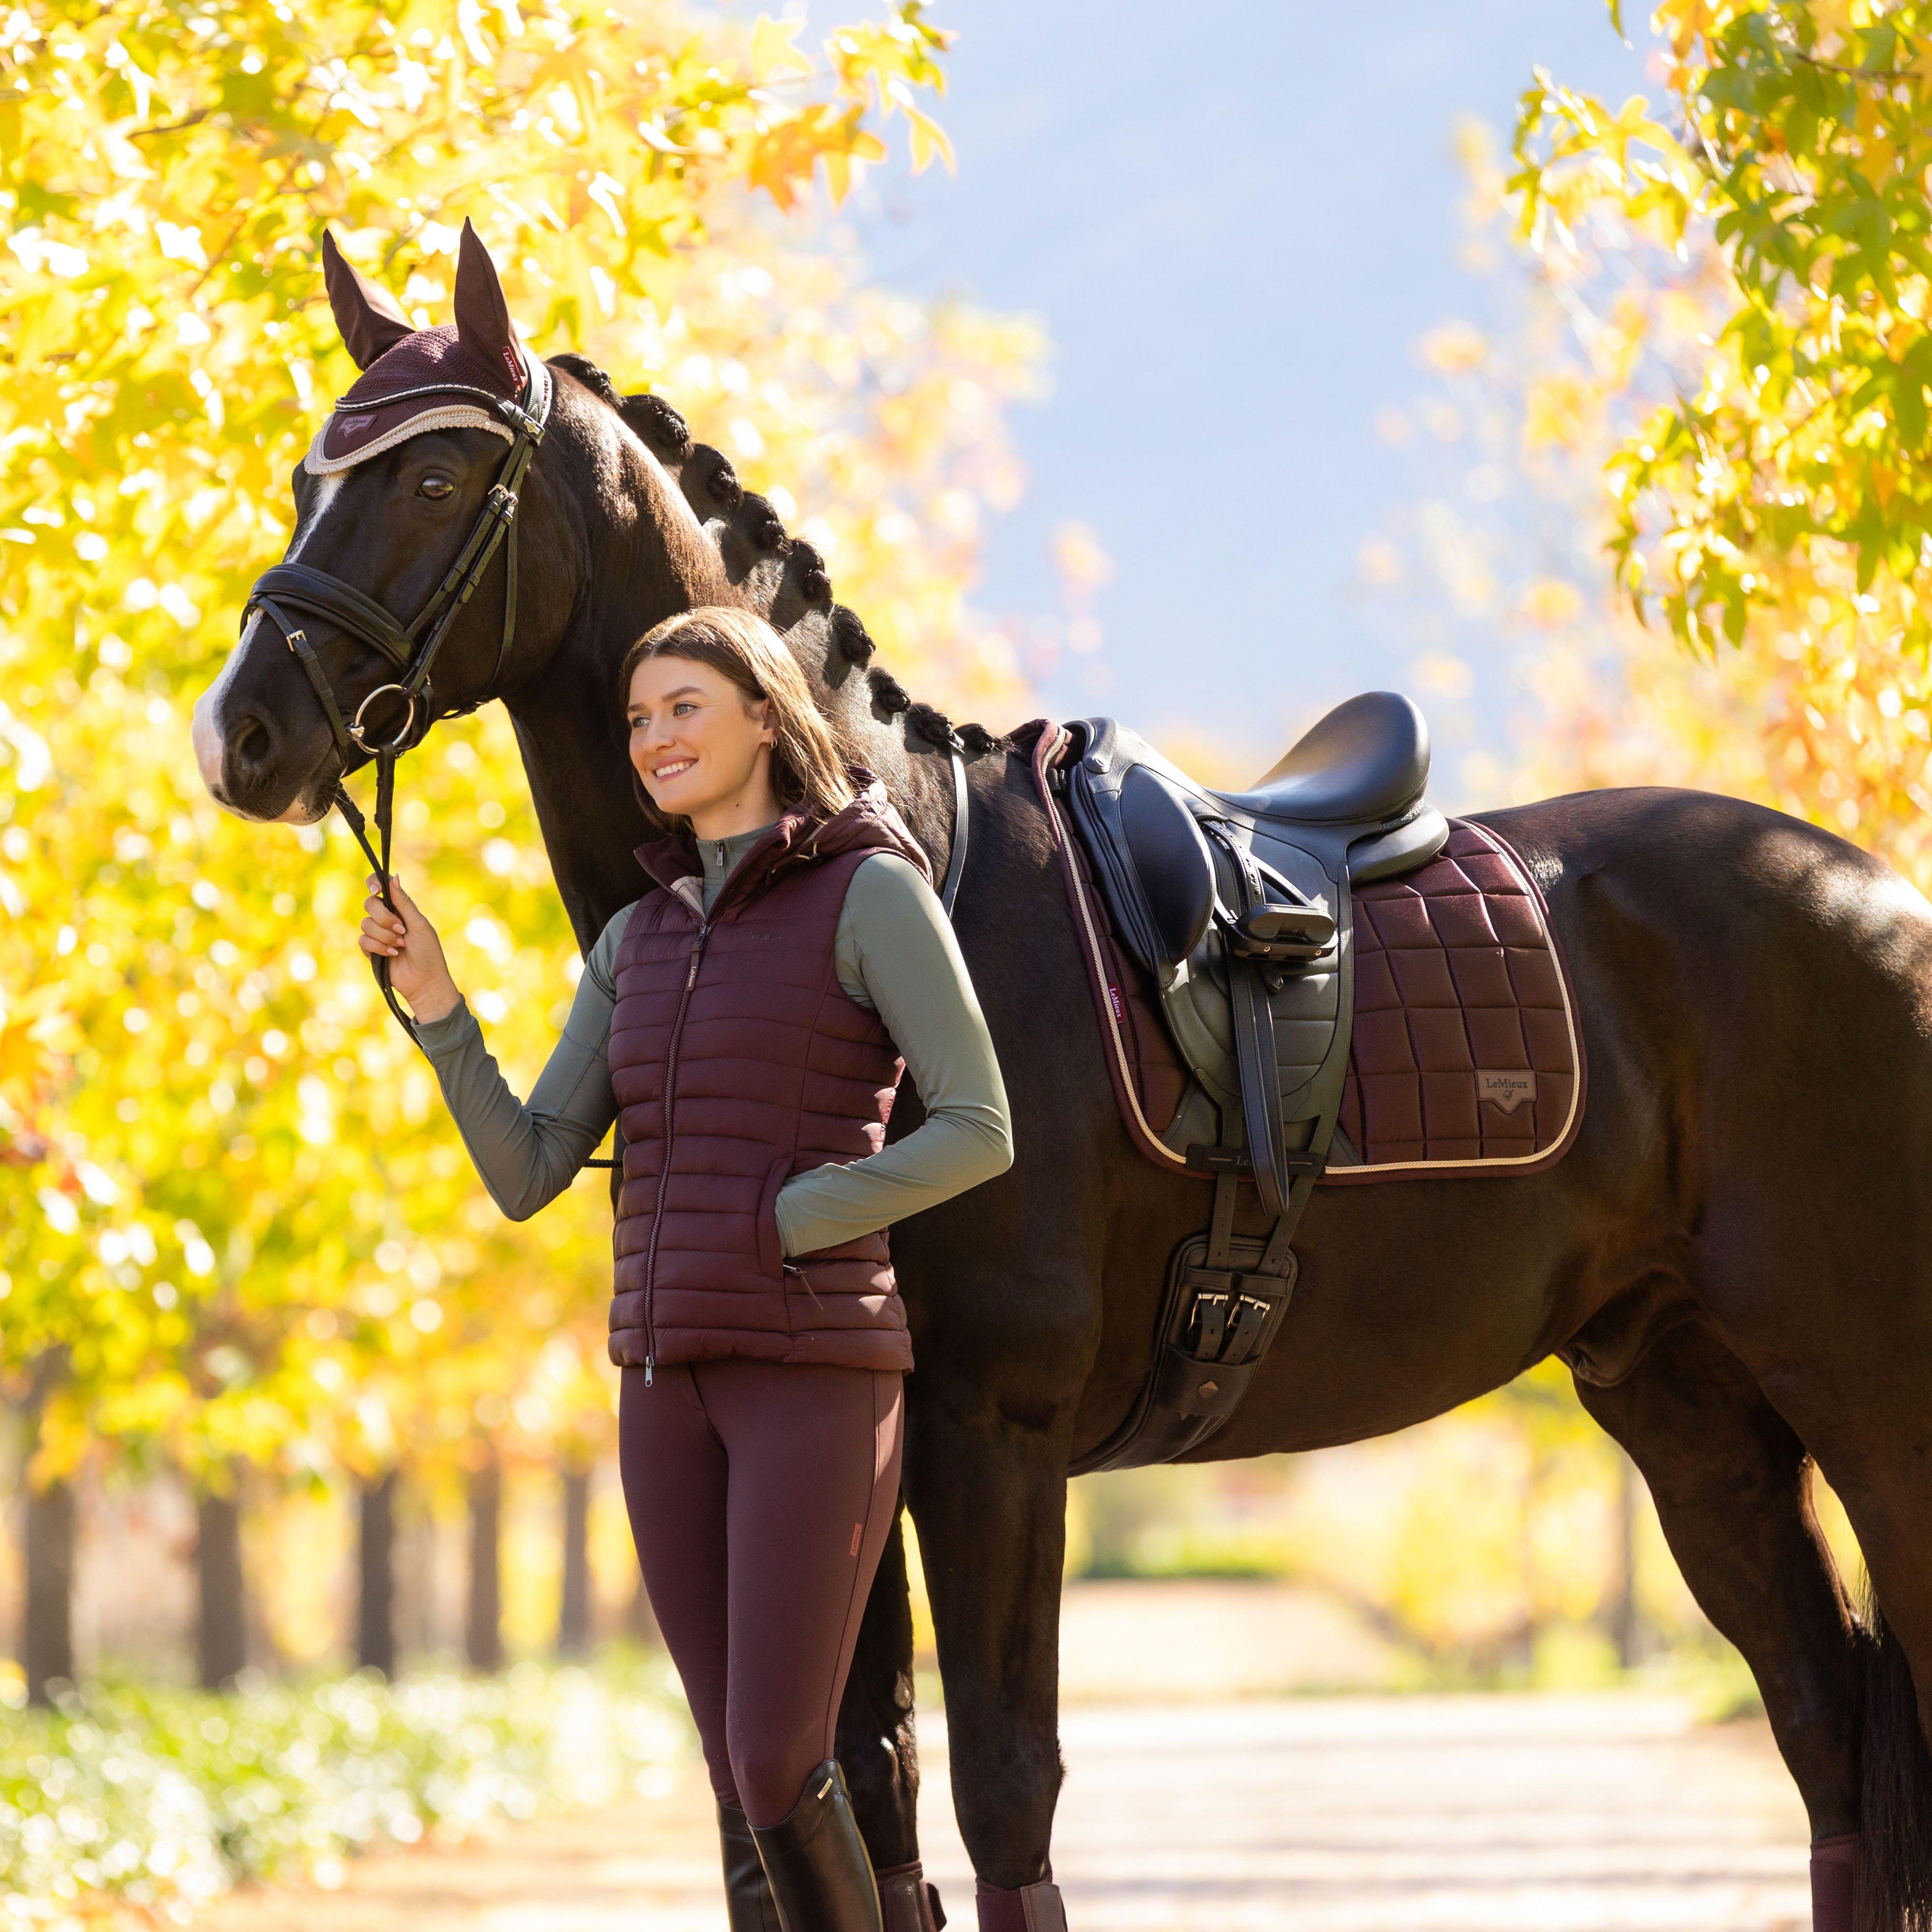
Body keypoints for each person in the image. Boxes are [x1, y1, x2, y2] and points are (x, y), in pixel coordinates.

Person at [354, 605, 1013, 1932]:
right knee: (735, 1771)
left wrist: (799, 1215)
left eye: (686, 708)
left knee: (778, 1754)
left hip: (814, 1374)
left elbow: (978, 1129)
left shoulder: (869, 892)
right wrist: (440, 1015)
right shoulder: (637, 942)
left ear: (767, 715)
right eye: (641, 717)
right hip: (663, 1387)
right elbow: (533, 1166)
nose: (654, 737)